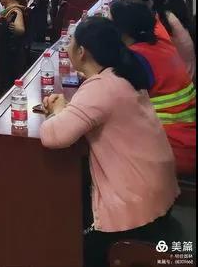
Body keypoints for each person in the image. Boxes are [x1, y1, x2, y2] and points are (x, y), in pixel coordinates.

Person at [39, 17, 178, 267]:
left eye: (71, 42)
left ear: (81, 52)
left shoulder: (101, 88)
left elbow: (53, 136)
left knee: (71, 244)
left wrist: (58, 110)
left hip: (134, 209)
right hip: (158, 195)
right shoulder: (121, 75)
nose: (68, 46)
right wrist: (69, 110)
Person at [110, 0, 196, 176]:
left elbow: (111, 100)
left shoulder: (136, 58)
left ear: (121, 30)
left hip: (171, 148)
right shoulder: (161, 44)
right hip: (187, 138)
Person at [125, 0, 195, 79]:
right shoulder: (165, 14)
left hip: (181, 76)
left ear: (149, 2)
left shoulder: (160, 23)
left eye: (131, 1)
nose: (127, 4)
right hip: (184, 71)